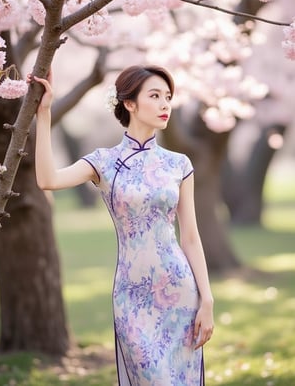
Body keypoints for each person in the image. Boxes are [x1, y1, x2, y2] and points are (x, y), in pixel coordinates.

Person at [31, 65, 214, 386]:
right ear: (129, 103)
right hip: (131, 296)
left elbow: (191, 238)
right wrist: (44, 114)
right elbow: (48, 179)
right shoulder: (102, 162)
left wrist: (207, 300)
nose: (164, 105)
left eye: (168, 97)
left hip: (180, 291)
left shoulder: (179, 164)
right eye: (155, 96)